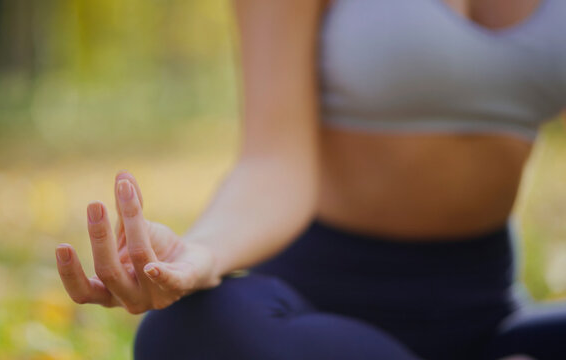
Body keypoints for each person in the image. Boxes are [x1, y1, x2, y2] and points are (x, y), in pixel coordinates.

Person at [54, 0, 566, 359]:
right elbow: (272, 164)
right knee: (186, 335)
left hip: (492, 312)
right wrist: (199, 254)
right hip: (319, 319)